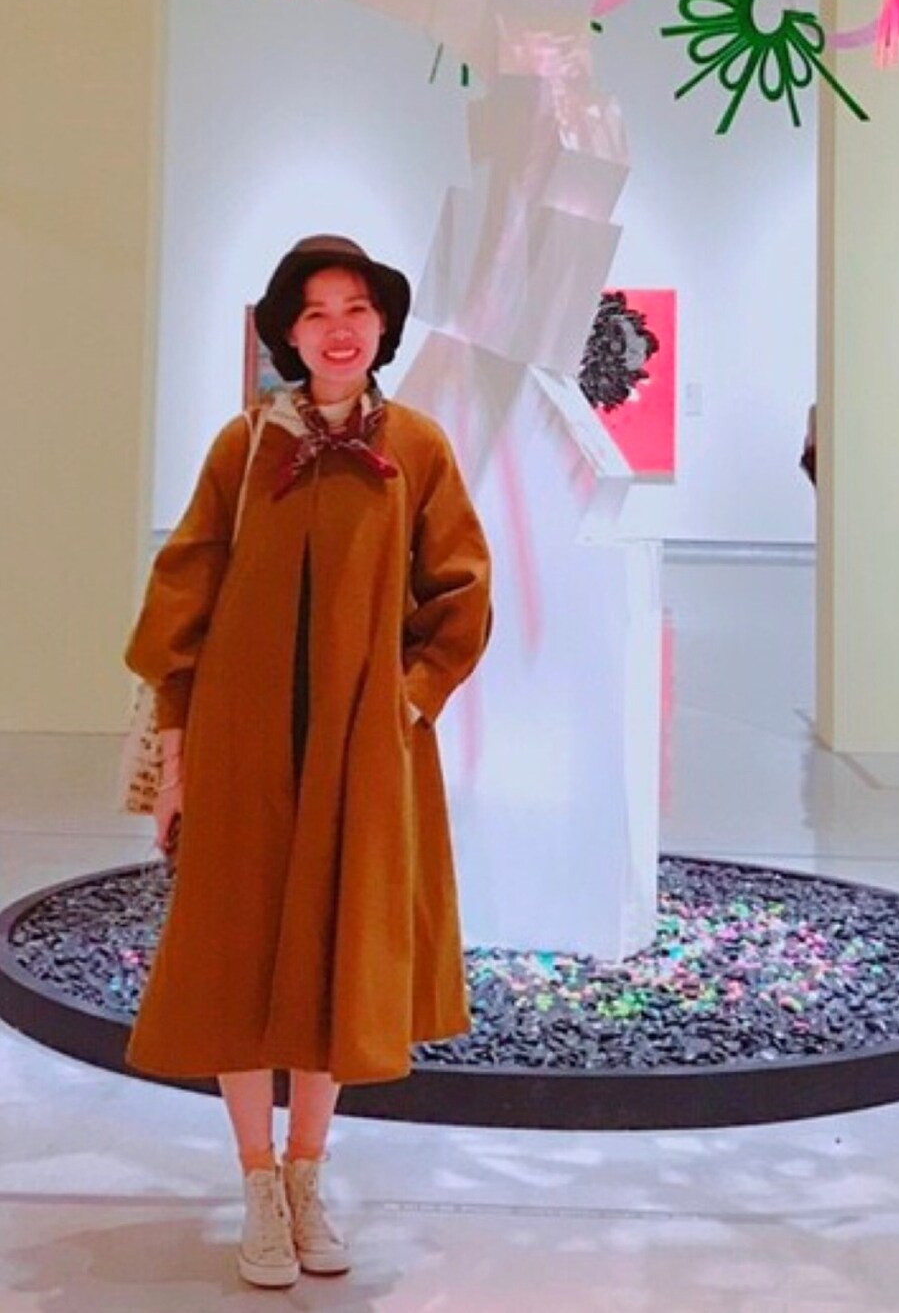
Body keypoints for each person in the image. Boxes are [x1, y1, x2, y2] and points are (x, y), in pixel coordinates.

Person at [124, 235, 492, 1288]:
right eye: (317, 311)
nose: (339, 329)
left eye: (357, 309)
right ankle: (255, 1182)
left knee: (339, 955)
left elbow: (462, 593)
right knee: (240, 956)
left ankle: (306, 1175)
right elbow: (182, 608)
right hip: (241, 747)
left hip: (359, 758)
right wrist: (178, 759)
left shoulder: (416, 447)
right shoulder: (243, 447)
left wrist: (408, 701)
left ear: (382, 327)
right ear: (288, 332)